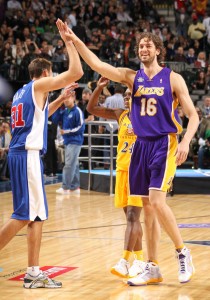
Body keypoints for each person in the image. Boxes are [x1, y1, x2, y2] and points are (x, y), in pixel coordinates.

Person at [65, 29, 199, 285]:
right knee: (147, 207)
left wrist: (185, 141)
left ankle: (183, 253)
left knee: (158, 202)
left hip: (164, 143)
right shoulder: (131, 77)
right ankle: (153, 267)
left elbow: (193, 115)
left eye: (148, 46)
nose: (143, 50)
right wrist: (75, 40)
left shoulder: (173, 79)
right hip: (140, 145)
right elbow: (97, 63)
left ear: (158, 50)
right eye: (140, 46)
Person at [0, 19, 83, 289]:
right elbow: (76, 72)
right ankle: (33, 272)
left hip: (21, 155)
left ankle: (34, 272)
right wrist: (69, 41)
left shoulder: (23, 92)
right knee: (24, 215)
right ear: (45, 73)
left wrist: (58, 99)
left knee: (36, 216)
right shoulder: (37, 87)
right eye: (51, 76)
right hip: (27, 156)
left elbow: (38, 117)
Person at [87, 77, 161, 281]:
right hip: (121, 171)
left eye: (130, 95)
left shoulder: (149, 118)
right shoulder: (121, 115)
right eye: (125, 96)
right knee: (131, 219)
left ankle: (124, 260)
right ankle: (138, 261)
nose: (127, 99)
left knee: (132, 217)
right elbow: (92, 108)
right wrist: (100, 88)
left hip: (139, 172)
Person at [53, 84, 85, 195]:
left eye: (68, 98)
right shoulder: (64, 111)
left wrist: (66, 132)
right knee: (74, 164)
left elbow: (81, 127)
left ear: (74, 97)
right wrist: (59, 105)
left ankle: (65, 187)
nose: (66, 100)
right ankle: (75, 187)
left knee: (69, 164)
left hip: (75, 141)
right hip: (67, 141)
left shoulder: (78, 111)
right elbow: (55, 119)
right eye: (64, 98)